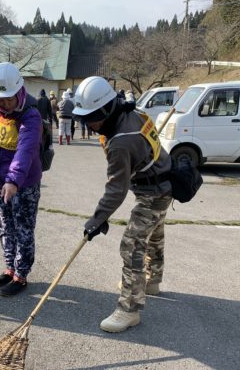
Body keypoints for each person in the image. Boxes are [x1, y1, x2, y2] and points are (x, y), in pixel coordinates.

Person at [72, 76, 173, 333]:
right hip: (164, 180)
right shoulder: (131, 111)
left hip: (155, 191)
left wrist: (97, 220)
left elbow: (116, 189)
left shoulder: (121, 141)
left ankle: (129, 309)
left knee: (132, 245)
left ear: (107, 109)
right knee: (154, 234)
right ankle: (151, 281)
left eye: (92, 118)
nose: (88, 124)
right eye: (84, 119)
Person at [0, 62, 42, 297]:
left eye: (9, 99)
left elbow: (25, 150)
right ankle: (9, 268)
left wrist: (13, 180)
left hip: (23, 183)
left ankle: (21, 275)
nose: (5, 104)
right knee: (6, 226)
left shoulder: (31, 114)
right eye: (0, 99)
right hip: (0, 181)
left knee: (23, 229)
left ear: (19, 91)